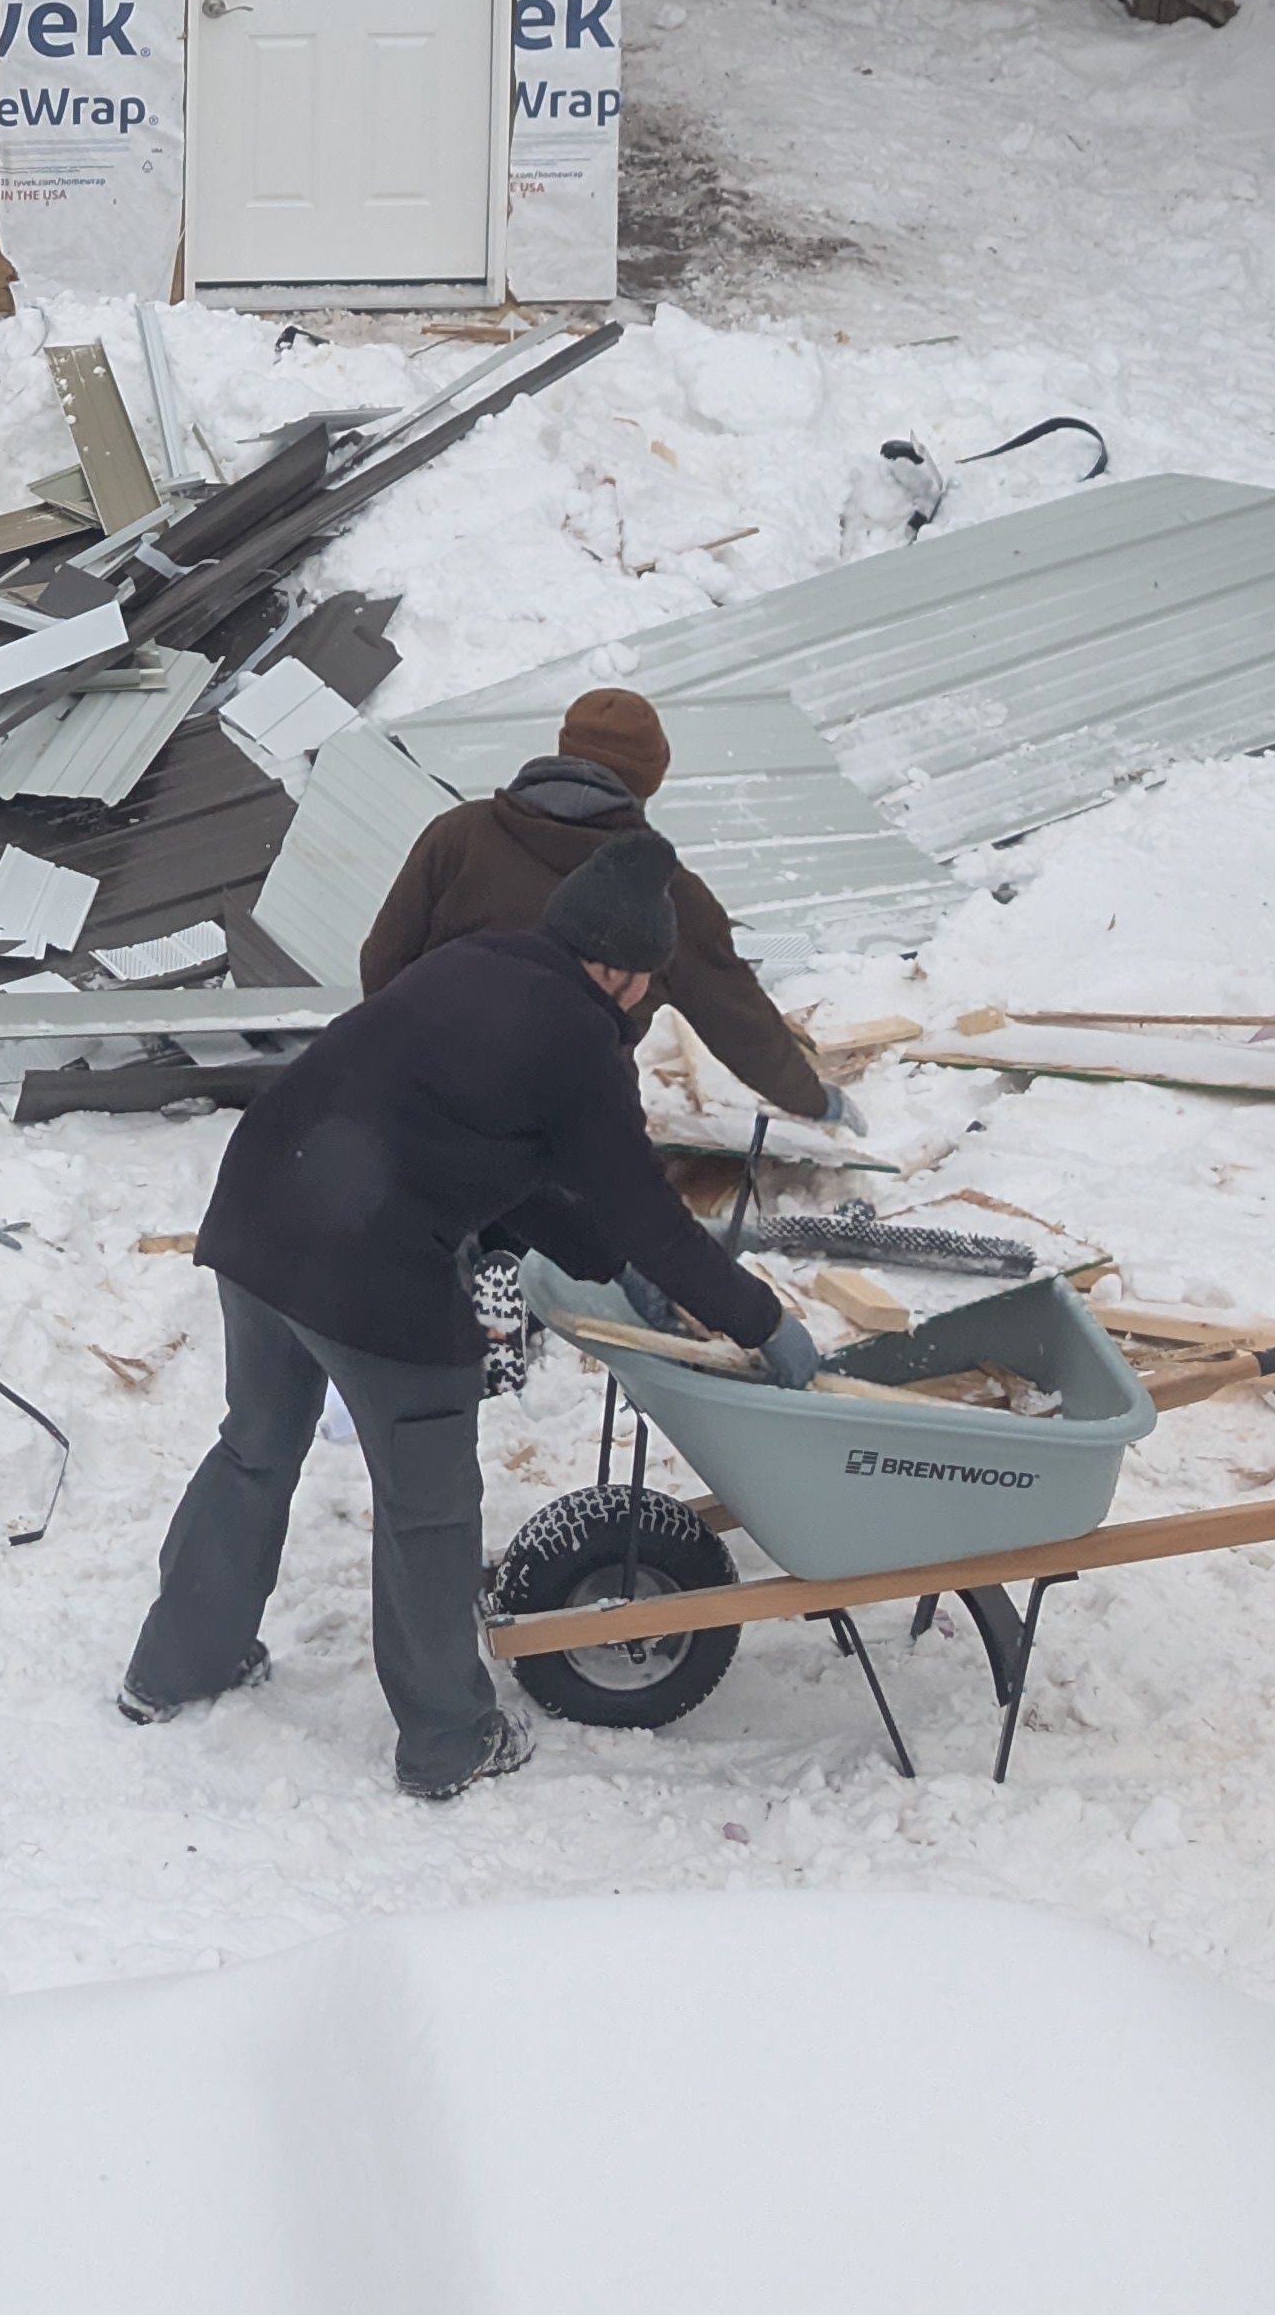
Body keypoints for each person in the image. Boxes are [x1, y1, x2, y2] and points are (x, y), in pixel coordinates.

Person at [118, 834, 815, 1799]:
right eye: (650, 985)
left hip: (260, 1217)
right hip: (367, 1264)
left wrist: (610, 1262)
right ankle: (450, 1738)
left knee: (255, 1448)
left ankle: (174, 1667)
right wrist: (757, 1318)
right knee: (428, 1504)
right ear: (617, 969)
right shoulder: (578, 1040)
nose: (650, 1006)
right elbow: (646, 1208)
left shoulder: (471, 965)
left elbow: (508, 1162)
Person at [360, 690, 853, 1128]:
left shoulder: (459, 834)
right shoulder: (663, 891)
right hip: (577, 1125)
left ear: (563, 749)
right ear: (651, 777)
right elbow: (734, 1015)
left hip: (434, 1096)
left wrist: (410, 1059)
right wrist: (812, 1101)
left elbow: (384, 956)